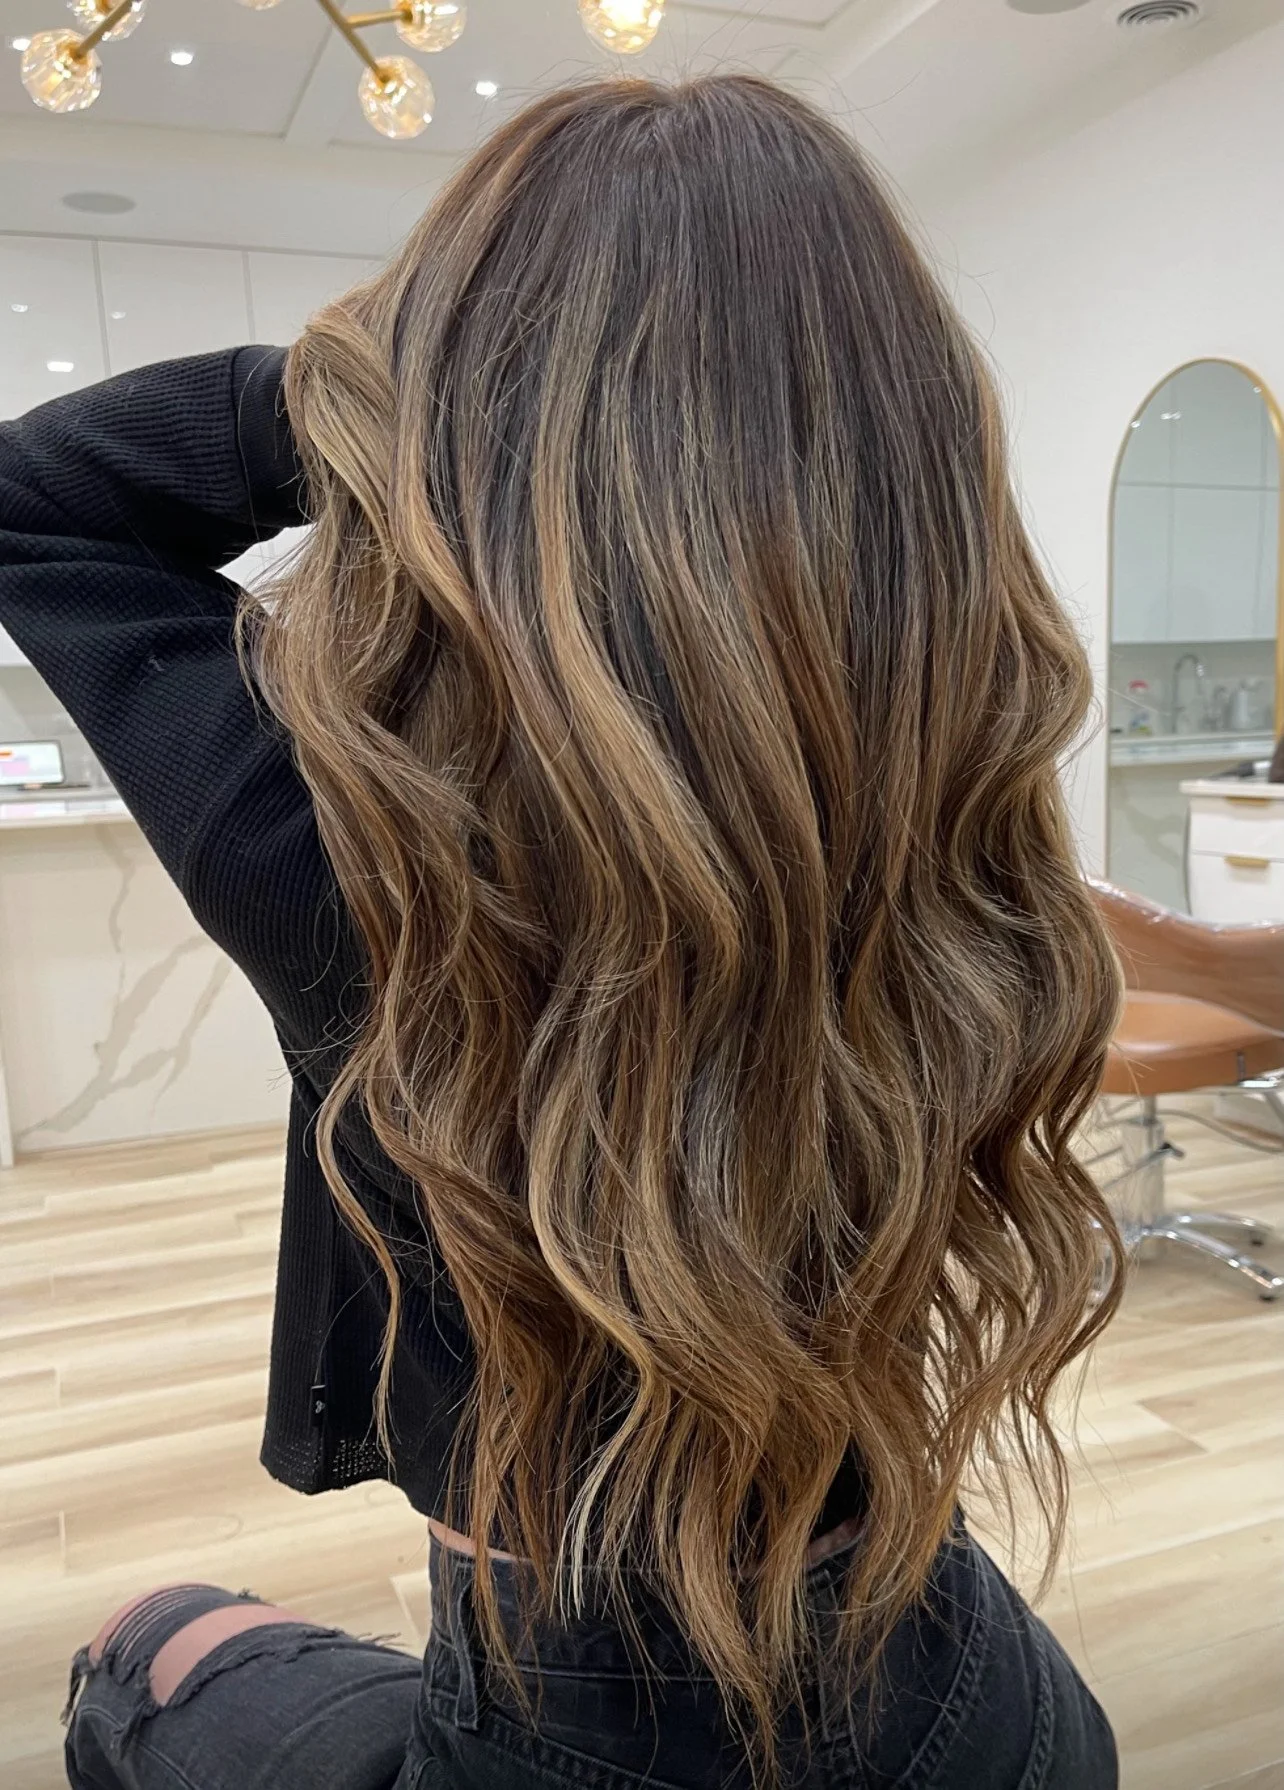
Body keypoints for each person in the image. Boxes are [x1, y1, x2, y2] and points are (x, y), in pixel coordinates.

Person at [0, 75, 1121, 1790]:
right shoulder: (956, 825)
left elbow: (32, 497)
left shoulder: (356, 844)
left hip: (562, 1732)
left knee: (133, 1659)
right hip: (979, 1686)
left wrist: (386, 387)